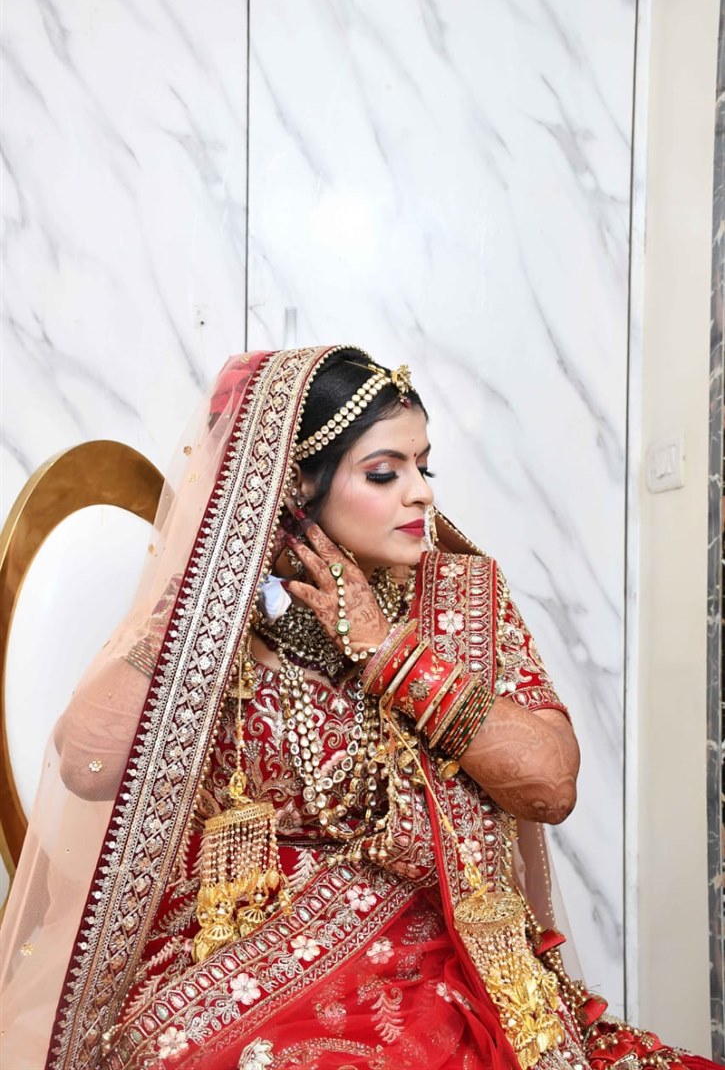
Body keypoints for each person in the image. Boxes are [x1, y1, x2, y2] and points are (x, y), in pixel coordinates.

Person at [0, 347, 716, 1070]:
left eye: (423, 467)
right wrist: (211, 597)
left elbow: (550, 785)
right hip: (240, 953)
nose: (421, 495)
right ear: (294, 484)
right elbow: (87, 765)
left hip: (432, 947)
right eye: (384, 473)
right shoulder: (220, 616)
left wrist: (388, 651)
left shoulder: (463, 597)